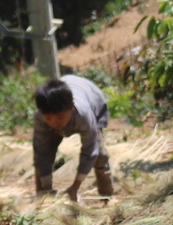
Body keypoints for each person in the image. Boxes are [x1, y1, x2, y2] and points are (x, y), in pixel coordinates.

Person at [33, 74, 113, 202]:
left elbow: (90, 151)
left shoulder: (84, 114)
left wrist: (75, 186)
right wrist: (47, 188)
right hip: (69, 100)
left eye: (60, 118)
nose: (55, 123)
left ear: (72, 108)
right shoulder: (40, 117)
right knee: (42, 158)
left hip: (92, 97)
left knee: (100, 155)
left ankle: (107, 196)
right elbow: (41, 153)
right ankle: (42, 200)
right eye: (48, 118)